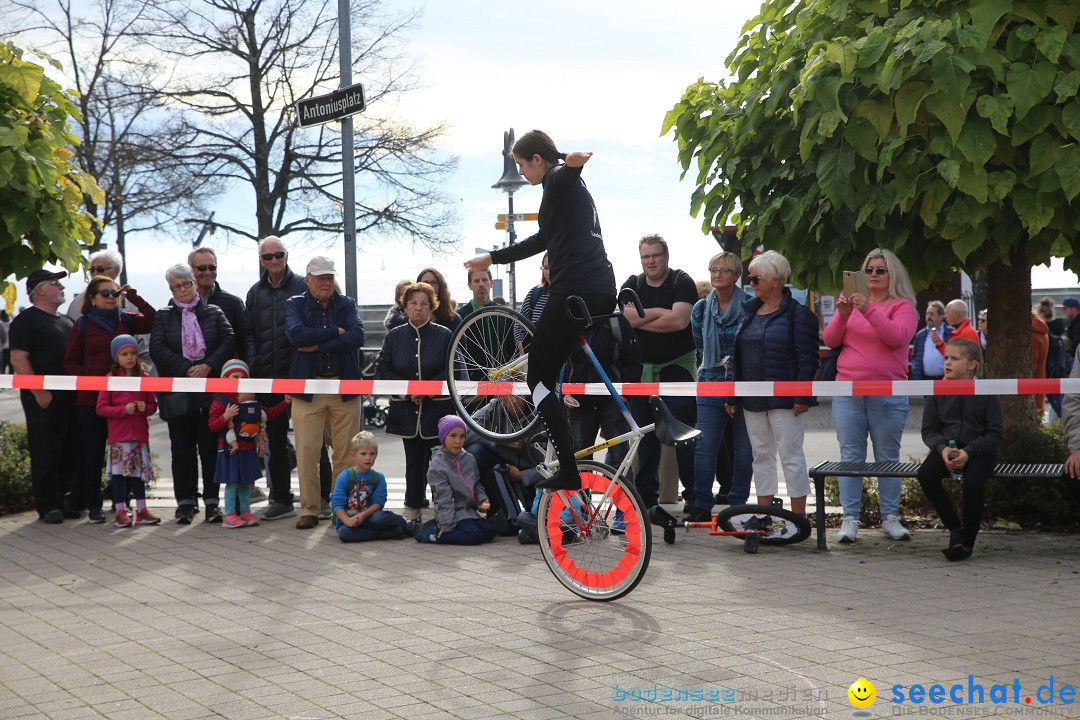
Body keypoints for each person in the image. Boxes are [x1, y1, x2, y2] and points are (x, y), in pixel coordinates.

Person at [465, 130, 617, 491]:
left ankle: (568, 468)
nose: (519, 172)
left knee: (536, 378)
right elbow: (541, 241)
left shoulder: (559, 182)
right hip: (599, 290)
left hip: (573, 293)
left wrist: (571, 163)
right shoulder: (562, 194)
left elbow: (564, 174)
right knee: (550, 367)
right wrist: (492, 257)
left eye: (520, 164)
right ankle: (562, 440)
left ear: (537, 160)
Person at [822, 248, 918, 543]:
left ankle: (890, 517)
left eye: (880, 270)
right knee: (850, 456)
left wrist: (867, 310)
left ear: (893, 275)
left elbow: (897, 337)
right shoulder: (852, 305)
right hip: (848, 390)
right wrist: (843, 314)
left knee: (887, 456)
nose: (873, 275)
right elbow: (829, 339)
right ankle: (850, 519)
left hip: (888, 391)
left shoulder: (902, 305)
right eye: (869, 270)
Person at [726, 251, 818, 516]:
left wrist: (802, 397)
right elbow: (737, 357)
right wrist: (732, 394)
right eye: (750, 279)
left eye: (756, 279)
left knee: (791, 457)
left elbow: (808, 359)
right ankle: (763, 515)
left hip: (785, 400)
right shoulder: (749, 313)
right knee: (761, 455)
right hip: (752, 399)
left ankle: (799, 518)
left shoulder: (799, 315)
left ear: (775, 280)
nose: (750, 284)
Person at [63, 274, 155, 523]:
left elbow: (154, 320)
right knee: (93, 453)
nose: (111, 297)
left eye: (114, 293)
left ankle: (122, 505)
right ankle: (93, 505)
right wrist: (92, 380)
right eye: (105, 293)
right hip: (92, 401)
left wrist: (133, 295)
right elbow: (70, 361)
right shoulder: (82, 325)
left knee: (125, 452)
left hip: (124, 402)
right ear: (92, 298)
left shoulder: (126, 319)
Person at [150, 263, 236, 524]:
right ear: (171, 290)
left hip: (209, 393)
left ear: (194, 284)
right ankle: (185, 504)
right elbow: (157, 348)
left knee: (210, 450)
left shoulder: (213, 311)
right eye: (177, 286)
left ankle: (212, 503)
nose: (183, 289)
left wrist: (208, 365)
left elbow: (229, 339)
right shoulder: (163, 316)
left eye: (186, 283)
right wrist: (187, 369)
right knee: (182, 451)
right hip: (178, 394)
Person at [285, 256, 365, 530]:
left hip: (344, 387)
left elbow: (357, 337)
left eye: (329, 277)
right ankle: (309, 509)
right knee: (307, 452)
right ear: (307, 279)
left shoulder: (347, 304)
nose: (326, 282)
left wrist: (317, 345)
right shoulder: (295, 304)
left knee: (344, 453)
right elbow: (295, 335)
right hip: (308, 388)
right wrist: (334, 332)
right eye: (320, 277)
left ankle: (339, 509)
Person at [621, 234, 698, 510]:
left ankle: (694, 499)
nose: (651, 261)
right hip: (642, 372)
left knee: (684, 435)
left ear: (666, 256)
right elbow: (623, 319)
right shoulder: (631, 285)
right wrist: (660, 312)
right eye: (646, 256)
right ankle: (646, 503)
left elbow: (679, 321)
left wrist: (640, 319)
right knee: (645, 440)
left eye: (656, 255)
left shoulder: (682, 281)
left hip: (678, 368)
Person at [917, 338, 1003, 561]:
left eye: (954, 359)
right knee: (926, 474)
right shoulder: (937, 389)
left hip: (980, 452)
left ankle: (967, 541)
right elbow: (929, 430)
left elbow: (995, 434)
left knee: (973, 483)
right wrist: (942, 449)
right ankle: (955, 528)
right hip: (948, 449)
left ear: (971, 365)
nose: (947, 363)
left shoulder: (986, 391)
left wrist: (970, 452)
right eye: (946, 358)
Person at [378, 281, 454, 529]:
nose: (418, 309)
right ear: (405, 306)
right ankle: (413, 510)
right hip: (406, 410)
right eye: (413, 303)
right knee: (413, 461)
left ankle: (443, 510)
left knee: (440, 463)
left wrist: (428, 388)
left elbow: (453, 369)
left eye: (423, 304)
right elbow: (384, 371)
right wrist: (408, 388)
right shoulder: (394, 337)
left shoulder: (445, 335)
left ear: (432, 307)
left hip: (437, 410)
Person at [244, 235, 309, 520]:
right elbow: (247, 333)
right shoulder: (255, 293)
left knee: (311, 440)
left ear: (286, 255)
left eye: (278, 255)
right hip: (267, 377)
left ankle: (319, 497)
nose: (273, 261)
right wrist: (255, 361)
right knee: (276, 440)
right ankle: (281, 499)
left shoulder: (303, 286)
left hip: (299, 374)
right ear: (260, 260)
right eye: (267, 257)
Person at [9, 270, 81, 523]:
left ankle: (62, 499)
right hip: (42, 398)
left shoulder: (66, 321)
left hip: (70, 398)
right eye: (55, 283)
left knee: (70, 449)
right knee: (45, 451)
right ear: (39, 289)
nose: (61, 287)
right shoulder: (26, 320)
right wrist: (38, 391)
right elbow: (18, 358)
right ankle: (48, 505)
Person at [690, 251, 752, 522]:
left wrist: (734, 386)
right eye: (713, 269)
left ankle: (737, 504)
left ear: (737, 275)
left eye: (723, 270)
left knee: (744, 449)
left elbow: (751, 350)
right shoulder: (701, 308)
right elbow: (701, 349)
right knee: (705, 447)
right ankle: (701, 503)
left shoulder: (751, 306)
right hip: (710, 382)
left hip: (743, 384)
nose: (716, 274)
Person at [208, 360, 291, 528]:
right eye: (234, 376)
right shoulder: (221, 402)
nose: (238, 380)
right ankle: (229, 514)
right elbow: (212, 425)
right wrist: (226, 416)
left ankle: (246, 512)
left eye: (242, 377)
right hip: (230, 450)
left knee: (246, 483)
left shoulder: (252, 402)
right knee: (232, 484)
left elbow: (269, 414)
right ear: (225, 378)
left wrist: (285, 404)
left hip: (248, 450)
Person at [95, 335, 160, 528]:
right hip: (119, 437)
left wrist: (144, 408)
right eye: (124, 354)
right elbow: (101, 408)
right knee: (119, 475)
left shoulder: (144, 377)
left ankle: (142, 510)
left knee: (138, 475)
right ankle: (121, 510)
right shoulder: (111, 379)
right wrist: (124, 410)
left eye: (133, 353)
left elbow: (152, 405)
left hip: (139, 436)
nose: (130, 357)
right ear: (116, 357)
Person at [416, 415, 497, 544]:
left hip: (469, 511)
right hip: (452, 513)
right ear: (443, 437)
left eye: (462, 436)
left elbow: (476, 484)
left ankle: (451, 530)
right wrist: (447, 525)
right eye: (453, 436)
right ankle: (433, 535)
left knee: (489, 532)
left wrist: (482, 499)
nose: (458, 441)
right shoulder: (438, 464)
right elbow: (443, 499)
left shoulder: (468, 458)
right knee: (474, 536)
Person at [329, 431, 408, 542]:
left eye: (372, 454)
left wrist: (363, 516)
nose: (368, 458)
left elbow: (379, 502)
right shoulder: (345, 476)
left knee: (381, 517)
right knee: (344, 534)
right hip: (351, 520)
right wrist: (347, 520)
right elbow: (337, 502)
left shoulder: (378, 477)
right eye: (363, 454)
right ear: (353, 455)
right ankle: (385, 534)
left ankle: (408, 526)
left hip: (370, 517)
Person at [190, 247, 255, 366]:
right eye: (202, 268)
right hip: (190, 375)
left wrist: (248, 368)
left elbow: (244, 340)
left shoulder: (233, 303)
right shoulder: (180, 304)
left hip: (225, 375)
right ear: (191, 270)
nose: (208, 272)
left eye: (212, 267)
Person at [909, 301, 952, 380]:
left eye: (932, 314)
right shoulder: (920, 335)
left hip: (945, 379)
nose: (928, 317)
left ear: (941, 316)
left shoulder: (950, 333)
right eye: (927, 313)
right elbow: (915, 358)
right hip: (925, 380)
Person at [416, 268, 461, 332]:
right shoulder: (410, 317)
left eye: (433, 282)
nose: (429, 286)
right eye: (425, 283)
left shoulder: (453, 319)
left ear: (441, 286)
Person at [0, 309, 11, 374]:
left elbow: (3, 338)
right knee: (11, 366)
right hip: (11, 347)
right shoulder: (11, 324)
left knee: (2, 367)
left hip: (3, 348)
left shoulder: (1, 325)